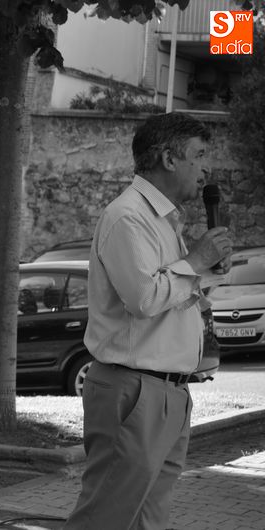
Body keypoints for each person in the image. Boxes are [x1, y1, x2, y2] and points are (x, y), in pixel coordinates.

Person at [64, 113, 233, 530]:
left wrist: (205, 273)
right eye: (199, 155)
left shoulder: (164, 221)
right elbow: (144, 298)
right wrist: (195, 261)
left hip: (168, 391)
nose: (206, 168)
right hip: (134, 389)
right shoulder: (128, 217)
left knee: (148, 520)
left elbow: (171, 295)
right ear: (168, 159)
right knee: (104, 519)